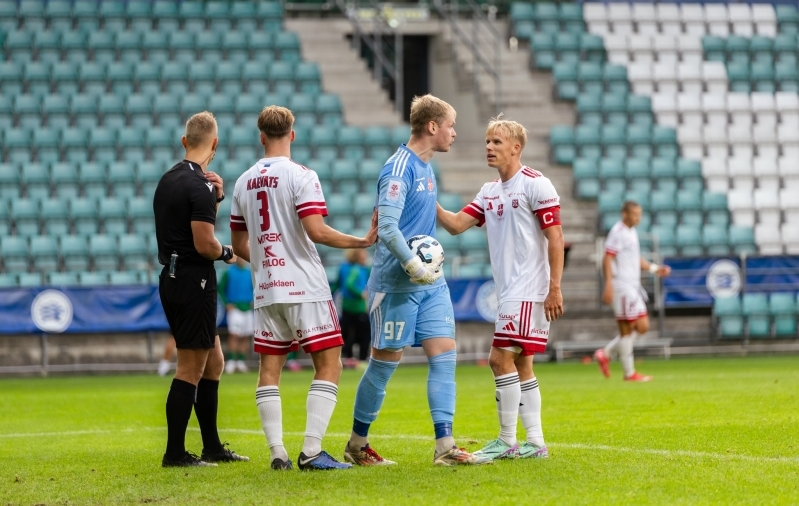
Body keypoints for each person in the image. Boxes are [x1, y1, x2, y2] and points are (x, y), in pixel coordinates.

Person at [343, 94, 489, 468]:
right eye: (451, 125)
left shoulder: (427, 168)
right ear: (432, 127)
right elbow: (388, 228)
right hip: (395, 284)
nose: (455, 133)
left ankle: (445, 446)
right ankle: (357, 445)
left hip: (431, 283)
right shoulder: (399, 168)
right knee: (383, 365)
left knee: (445, 357)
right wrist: (413, 264)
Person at [229, 105, 377, 471]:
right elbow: (318, 231)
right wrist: (361, 240)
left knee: (269, 370)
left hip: (266, 289)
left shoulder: (242, 181)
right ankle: (311, 451)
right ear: (292, 135)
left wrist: (267, 260)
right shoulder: (301, 175)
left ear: (261, 136)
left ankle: (277, 452)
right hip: (305, 286)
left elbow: (239, 243)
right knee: (329, 365)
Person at [436, 116, 565, 461]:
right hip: (510, 291)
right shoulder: (489, 191)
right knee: (522, 365)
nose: (489, 147)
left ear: (516, 147)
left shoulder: (536, 185)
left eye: (496, 142)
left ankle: (508, 440)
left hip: (529, 289)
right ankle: (535, 443)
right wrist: (427, 200)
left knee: (498, 358)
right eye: (487, 141)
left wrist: (554, 287)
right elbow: (457, 225)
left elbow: (556, 238)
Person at [154, 111, 248, 467]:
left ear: (184, 142)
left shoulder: (168, 179)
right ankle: (175, 453)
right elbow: (205, 244)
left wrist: (217, 199)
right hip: (195, 280)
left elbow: (180, 225)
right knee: (190, 369)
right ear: (215, 144)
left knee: (215, 362)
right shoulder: (201, 186)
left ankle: (212, 447)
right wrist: (229, 252)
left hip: (173, 277)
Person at [593, 201, 671, 382]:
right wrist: (609, 284)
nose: (638, 218)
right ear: (624, 214)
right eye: (635, 214)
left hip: (633, 286)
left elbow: (635, 259)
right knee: (628, 328)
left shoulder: (631, 232)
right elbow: (607, 258)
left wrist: (654, 268)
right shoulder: (618, 232)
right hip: (622, 286)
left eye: (639, 214)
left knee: (641, 327)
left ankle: (606, 353)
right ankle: (629, 373)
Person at [218, 257, 254, 374]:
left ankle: (241, 361)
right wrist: (226, 303)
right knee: (234, 335)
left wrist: (254, 300)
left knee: (245, 335)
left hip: (247, 308)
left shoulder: (250, 272)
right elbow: (220, 289)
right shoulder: (228, 272)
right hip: (235, 308)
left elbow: (255, 288)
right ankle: (232, 361)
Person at [338, 249, 371, 367]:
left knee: (348, 333)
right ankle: (361, 360)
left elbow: (339, 284)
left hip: (347, 306)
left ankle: (349, 358)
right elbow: (349, 284)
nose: (366, 256)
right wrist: (361, 294)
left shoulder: (350, 268)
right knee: (365, 334)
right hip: (357, 307)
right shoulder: (357, 269)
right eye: (364, 253)